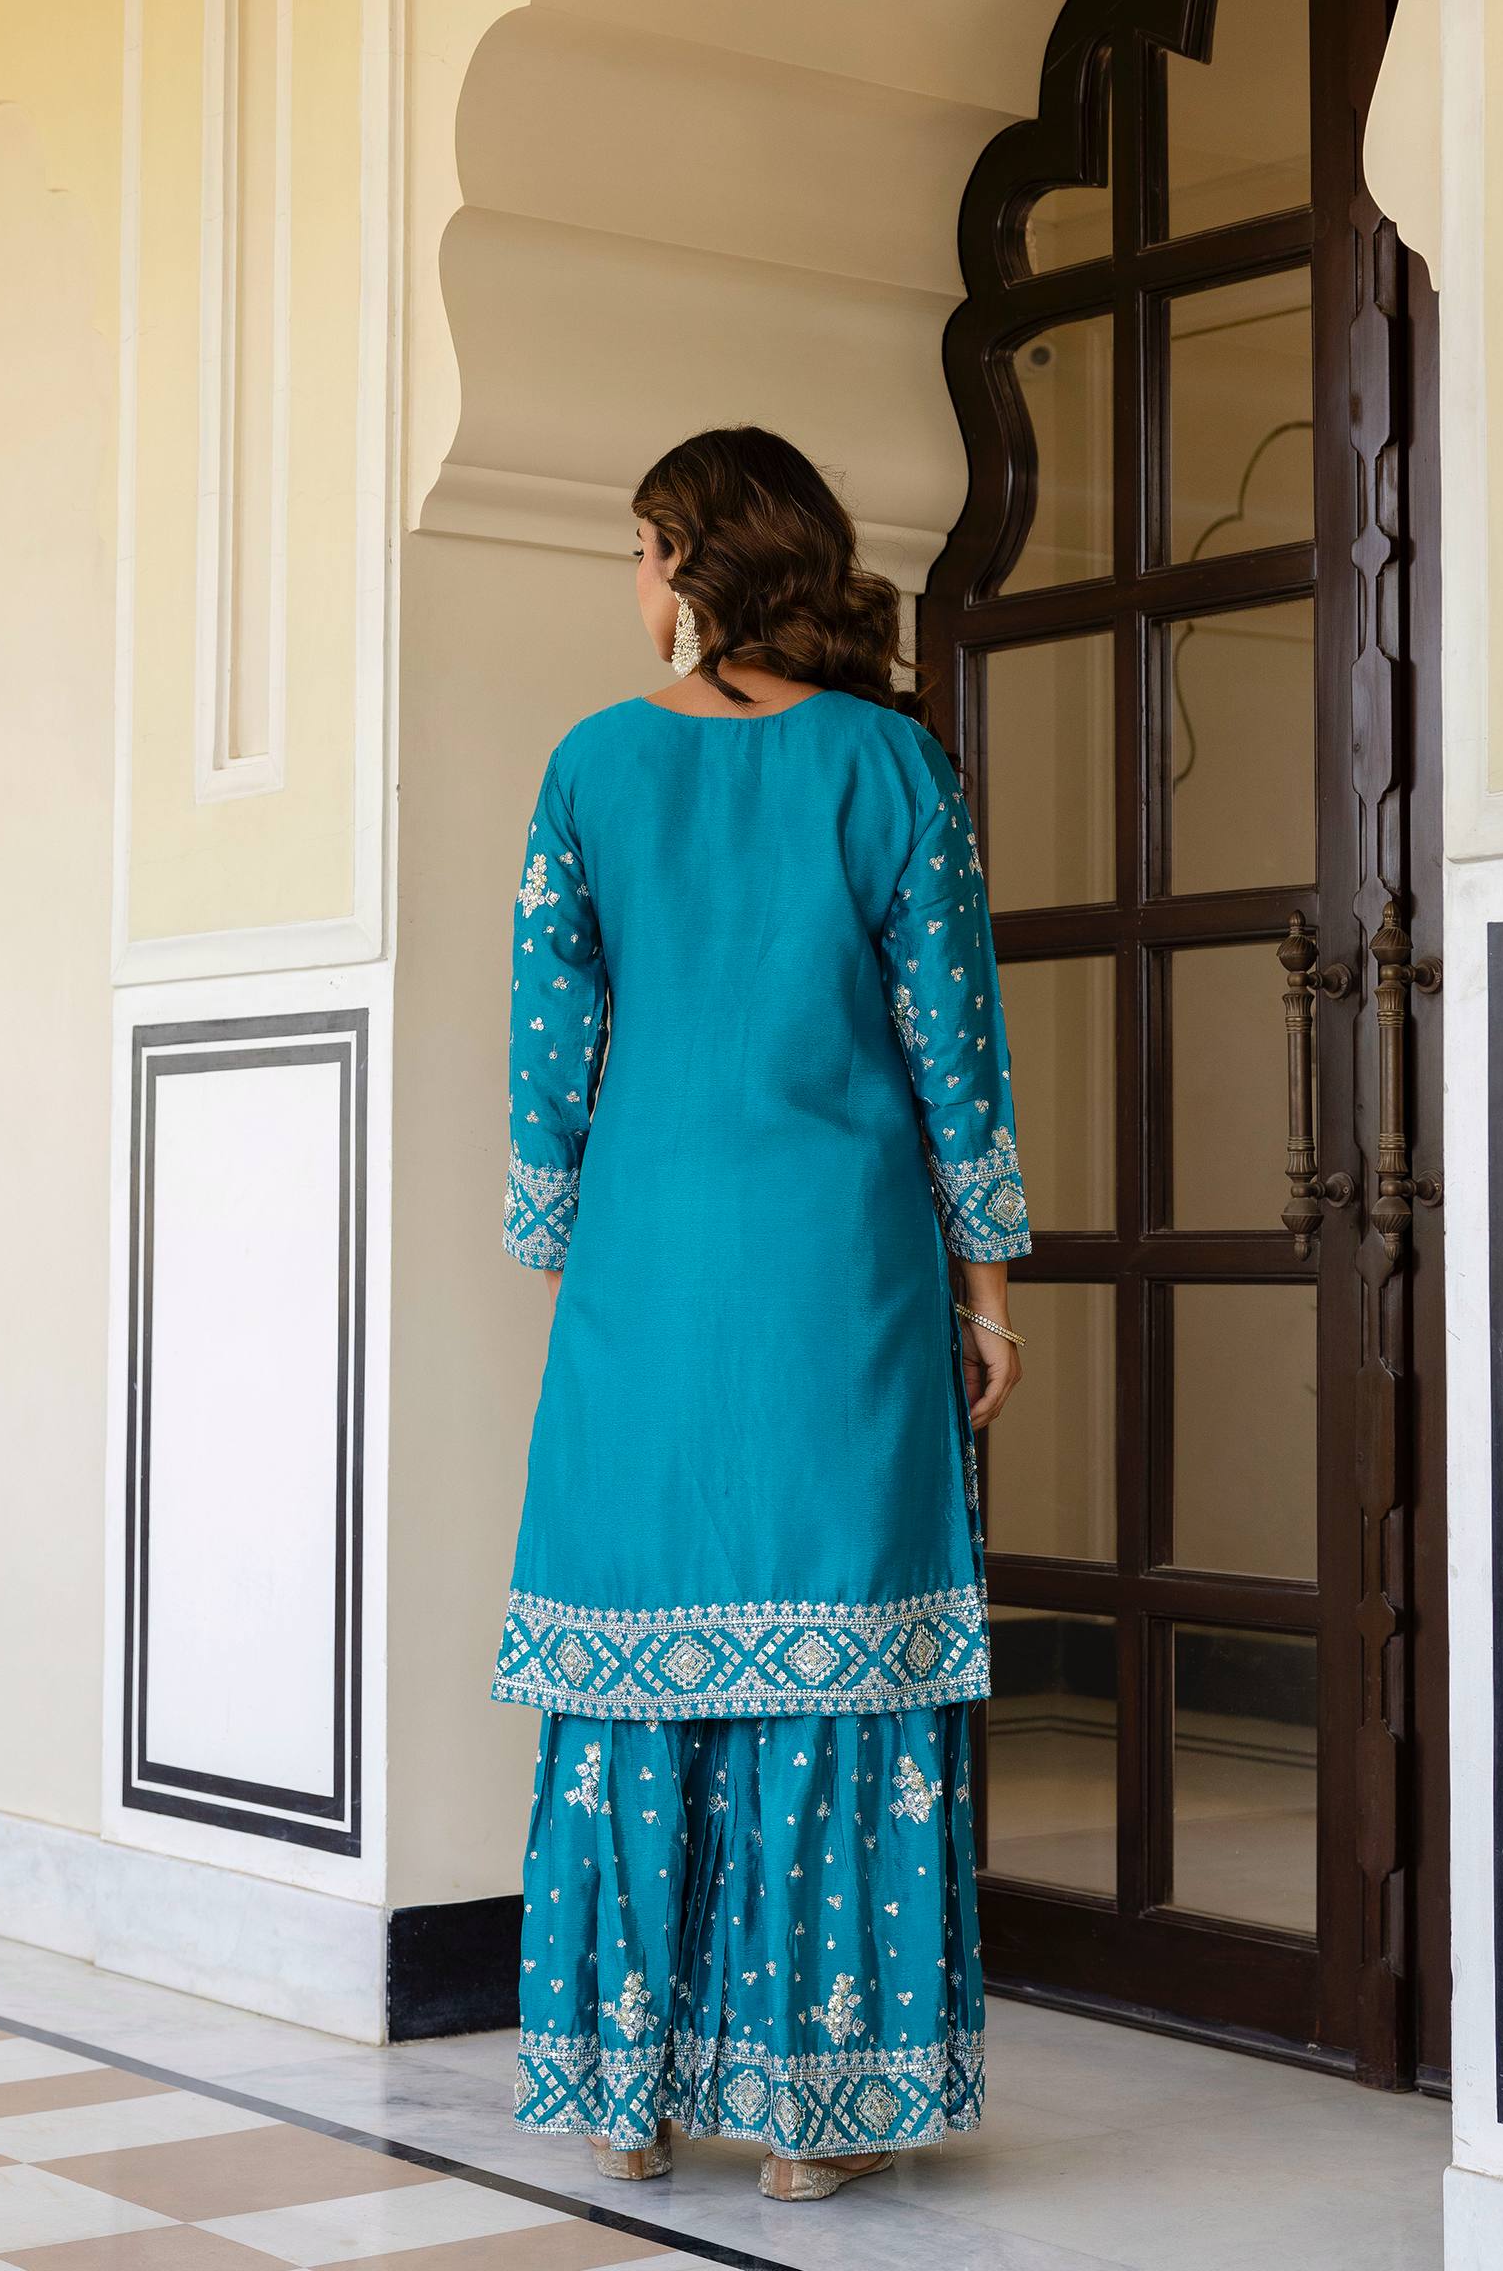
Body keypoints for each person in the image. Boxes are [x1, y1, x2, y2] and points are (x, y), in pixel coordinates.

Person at [493, 425, 1029, 2204]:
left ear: (684, 557)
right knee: (838, 1655)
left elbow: (550, 1056)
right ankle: (817, 2121)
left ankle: (627, 2099)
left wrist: (570, 1247)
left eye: (638, 549)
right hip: (838, 1275)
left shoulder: (591, 766)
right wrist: (990, 1291)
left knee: (635, 1663)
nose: (631, 581)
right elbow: (956, 1046)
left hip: (646, 1272)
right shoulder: (888, 763)